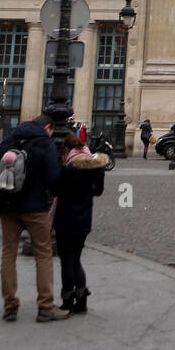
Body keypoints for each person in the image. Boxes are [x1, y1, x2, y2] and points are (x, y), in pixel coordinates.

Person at [0, 114, 68, 323]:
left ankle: (10, 305)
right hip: (34, 207)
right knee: (43, 253)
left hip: (7, 205)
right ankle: (45, 306)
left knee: (8, 254)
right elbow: (53, 179)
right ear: (48, 127)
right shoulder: (45, 144)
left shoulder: (10, 140)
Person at [54, 130, 108, 314]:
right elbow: (98, 191)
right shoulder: (96, 168)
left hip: (65, 219)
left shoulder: (68, 170)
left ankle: (67, 301)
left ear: (68, 149)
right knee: (76, 259)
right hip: (84, 219)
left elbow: (55, 191)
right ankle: (82, 301)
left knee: (67, 261)